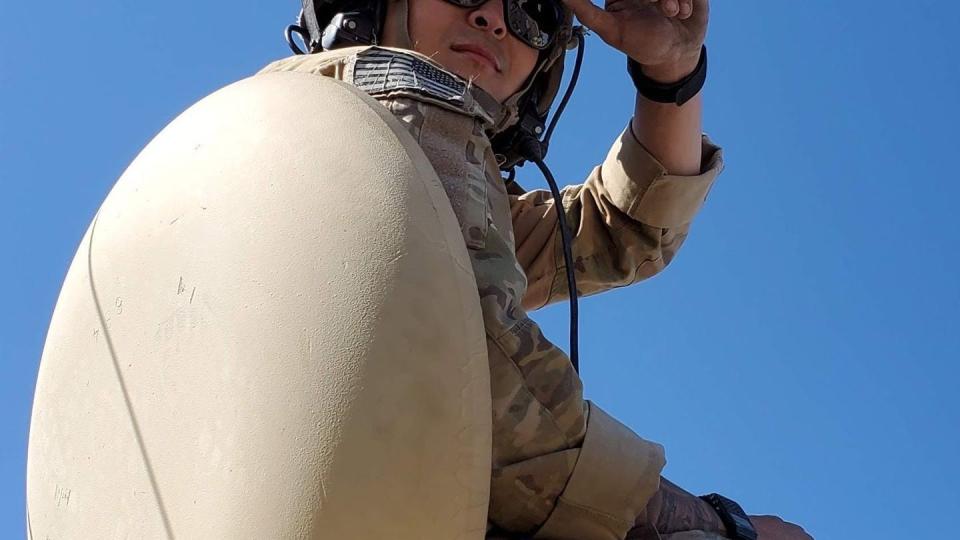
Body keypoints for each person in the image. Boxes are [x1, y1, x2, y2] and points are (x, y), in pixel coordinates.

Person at [263, 0, 812, 538]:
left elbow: (623, 227)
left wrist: (670, 72)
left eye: (532, 12)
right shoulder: (390, 99)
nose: (494, 17)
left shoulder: (407, 165)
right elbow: (476, 394)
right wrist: (724, 526)